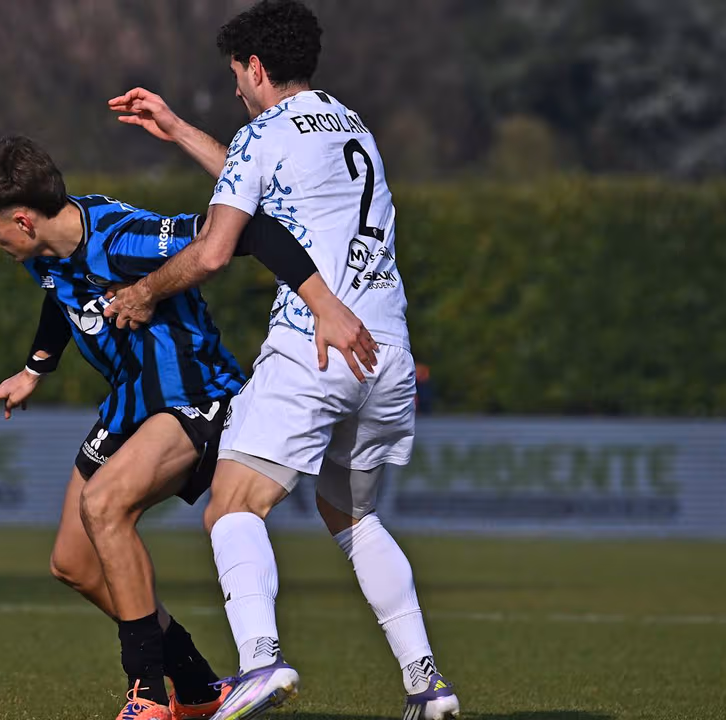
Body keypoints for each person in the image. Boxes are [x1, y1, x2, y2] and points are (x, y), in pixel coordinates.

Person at [105, 2, 461, 719]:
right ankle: (428, 685)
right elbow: (269, 197)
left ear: (256, 68)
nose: (236, 88)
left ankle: (260, 662)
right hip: (384, 350)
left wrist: (143, 292)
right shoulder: (348, 121)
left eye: (237, 75)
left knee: (231, 508)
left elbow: (215, 249)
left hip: (315, 341)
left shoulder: (262, 133)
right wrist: (178, 130)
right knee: (353, 518)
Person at [0, 135, 365, 720]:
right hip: (132, 403)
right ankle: (197, 689)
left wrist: (324, 305)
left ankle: (147, 696)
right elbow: (61, 296)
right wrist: (34, 369)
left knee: (103, 505)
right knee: (73, 562)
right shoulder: (44, 250)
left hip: (194, 397)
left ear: (22, 219)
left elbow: (251, 232)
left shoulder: (123, 238)